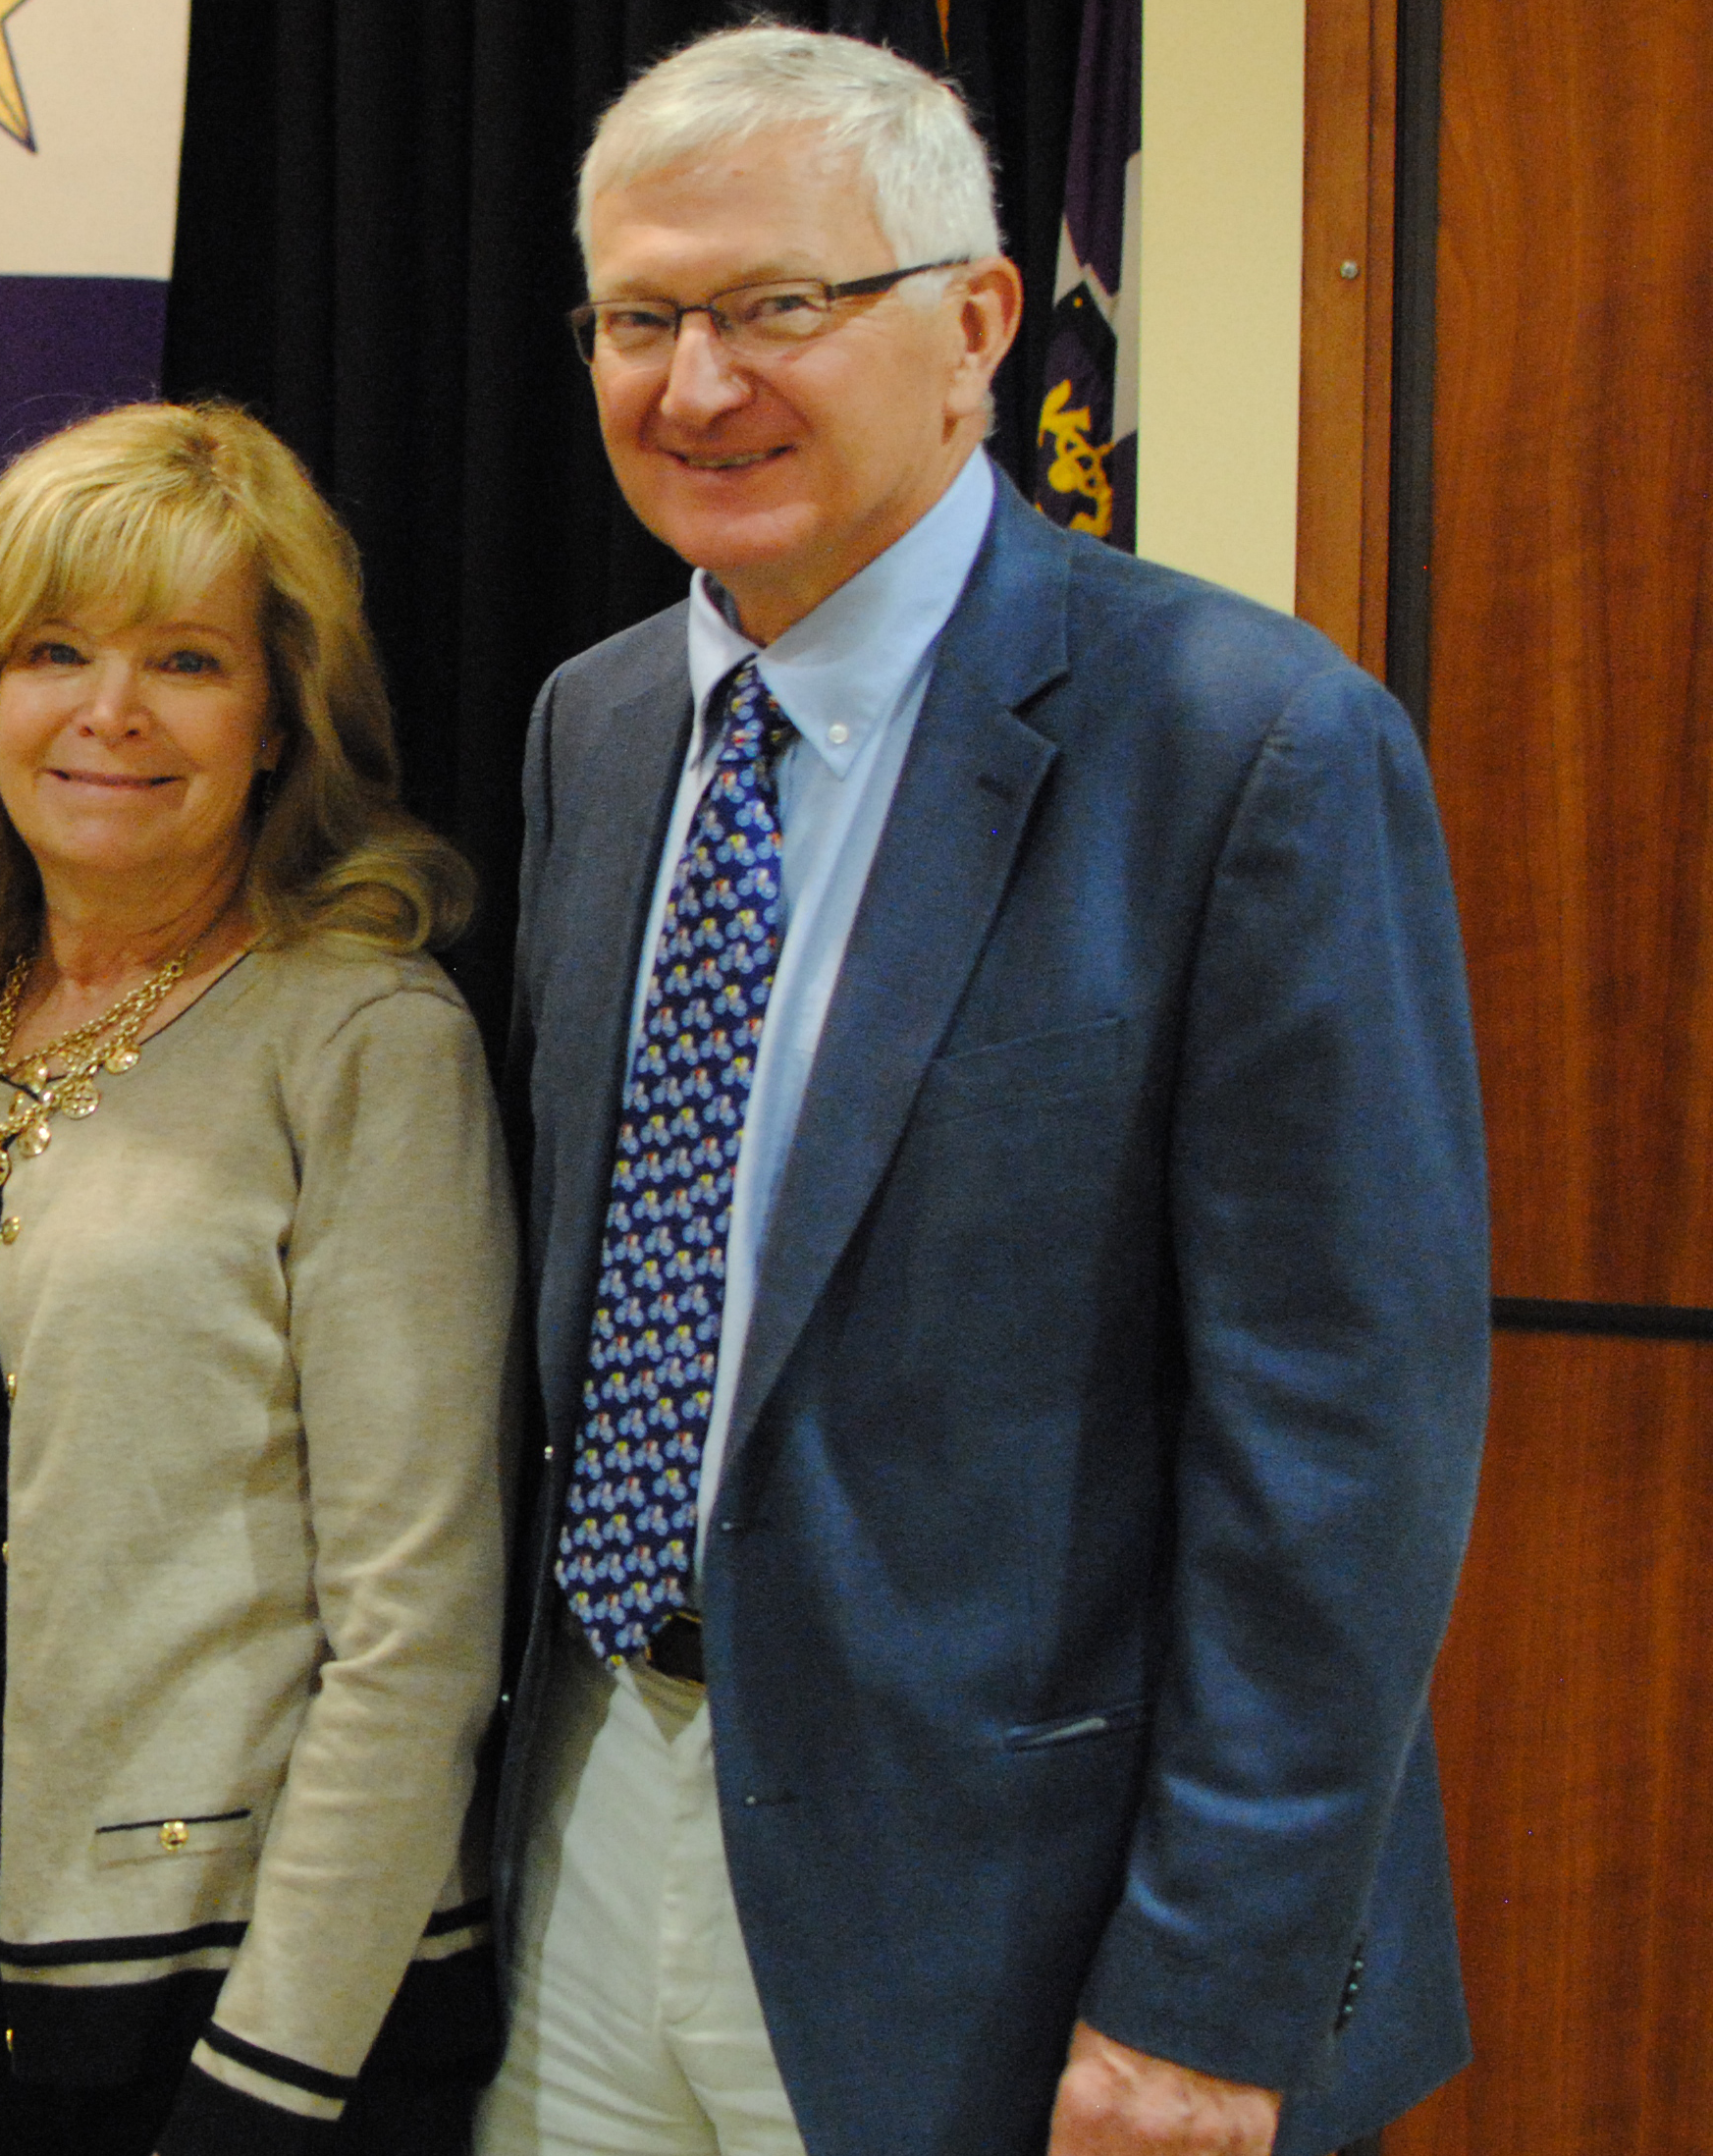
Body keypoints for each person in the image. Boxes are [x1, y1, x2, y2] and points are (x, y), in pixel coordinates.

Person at [481, 27, 1483, 2156]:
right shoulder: (593, 731)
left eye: (777, 308)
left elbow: (1341, 1439)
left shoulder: (1245, 749)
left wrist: (1208, 1989)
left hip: (1012, 1924)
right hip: (595, 1820)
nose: (696, 382)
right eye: (641, 318)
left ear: (973, 325)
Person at [0, 402, 516, 2156]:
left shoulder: (363, 1040)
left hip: (243, 2029)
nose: (109, 712)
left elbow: (417, 1633)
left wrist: (268, 2087)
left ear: (279, 719)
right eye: (54, 651)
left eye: (184, 660)